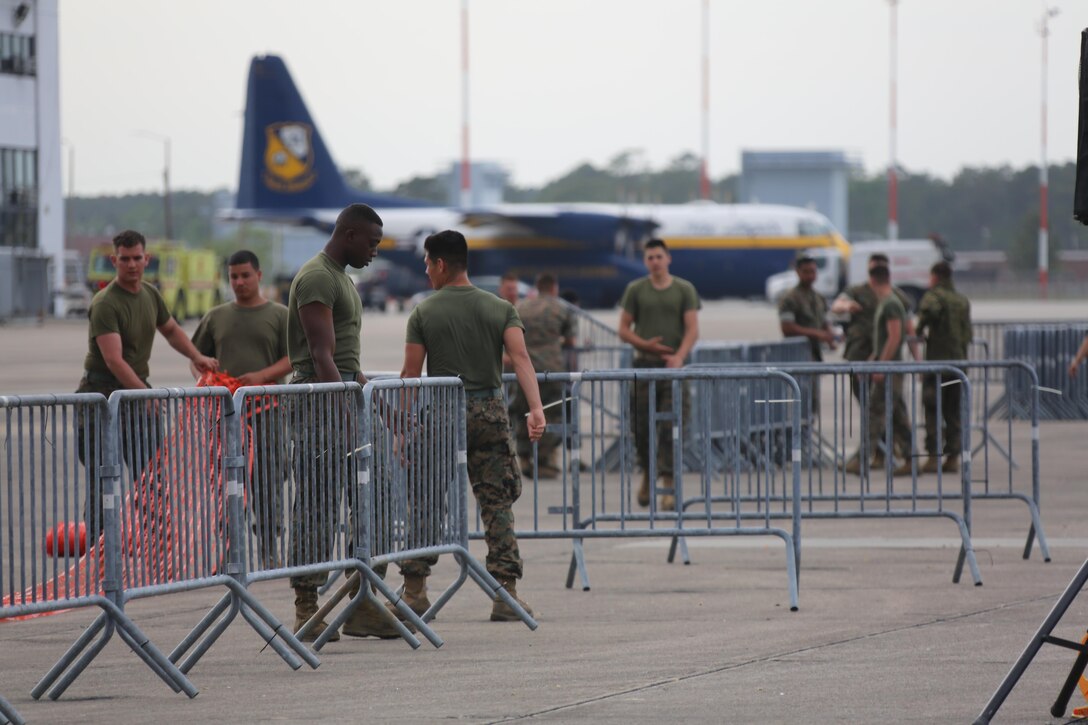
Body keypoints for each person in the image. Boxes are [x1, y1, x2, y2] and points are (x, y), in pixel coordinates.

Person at [393, 230, 546, 623]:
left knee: (426, 499)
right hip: (490, 413)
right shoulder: (499, 307)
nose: (426, 272)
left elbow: (411, 374)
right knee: (496, 501)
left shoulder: (424, 312)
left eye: (428, 264)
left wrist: (403, 429)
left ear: (441, 264)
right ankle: (505, 593)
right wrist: (535, 409)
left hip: (444, 413)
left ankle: (415, 591)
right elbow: (522, 359)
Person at [286, 203, 389, 642]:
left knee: (374, 500)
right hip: (321, 403)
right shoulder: (317, 277)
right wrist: (343, 412)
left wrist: (378, 404)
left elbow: (345, 360)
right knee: (318, 505)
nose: (374, 252)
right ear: (349, 235)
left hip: (344, 394)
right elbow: (320, 354)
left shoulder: (341, 277)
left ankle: (362, 598)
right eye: (371, 243)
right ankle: (307, 605)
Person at [76, 229, 218, 540]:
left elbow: (171, 331)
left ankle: (157, 545)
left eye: (137, 258)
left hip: (137, 393)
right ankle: (102, 553)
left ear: (146, 259)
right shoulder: (105, 303)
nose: (131, 265)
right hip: (101, 396)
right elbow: (114, 361)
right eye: (124, 259)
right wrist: (146, 396)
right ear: (114, 260)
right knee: (104, 481)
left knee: (151, 476)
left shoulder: (151, 295)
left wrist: (198, 356)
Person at [189, 250, 291, 566]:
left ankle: (269, 548)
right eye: (234, 276)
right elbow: (197, 358)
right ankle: (230, 549)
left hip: (267, 412)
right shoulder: (216, 316)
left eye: (245, 275)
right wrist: (208, 380)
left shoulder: (279, 315)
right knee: (226, 481)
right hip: (226, 416)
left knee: (269, 478)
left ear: (259, 276)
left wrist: (262, 377)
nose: (239, 282)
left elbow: (294, 358)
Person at [617, 238, 701, 511]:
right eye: (650, 257)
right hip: (644, 367)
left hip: (673, 370)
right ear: (645, 261)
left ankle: (669, 485)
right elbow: (624, 329)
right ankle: (647, 475)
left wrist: (679, 356)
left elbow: (692, 329)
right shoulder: (636, 289)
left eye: (659, 257)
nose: (655, 261)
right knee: (641, 427)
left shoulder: (684, 289)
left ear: (668, 259)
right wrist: (645, 345)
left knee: (672, 426)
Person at [511, 273, 575, 478]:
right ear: (554, 288)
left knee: (523, 412)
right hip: (552, 368)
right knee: (552, 413)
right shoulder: (562, 308)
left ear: (537, 287)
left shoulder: (521, 307)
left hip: (524, 369)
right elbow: (571, 341)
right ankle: (544, 459)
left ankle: (523, 457)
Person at [915, 261, 972, 474]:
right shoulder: (961, 300)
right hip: (959, 364)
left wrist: (920, 329)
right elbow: (968, 334)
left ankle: (932, 456)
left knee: (932, 410)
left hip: (938, 364)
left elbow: (928, 314)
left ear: (935, 277)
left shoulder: (933, 297)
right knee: (953, 412)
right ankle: (953, 457)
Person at [862, 264, 914, 476]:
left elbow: (894, 337)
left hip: (890, 369)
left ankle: (863, 456)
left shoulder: (891, 304)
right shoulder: (889, 302)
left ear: (872, 280)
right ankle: (911, 458)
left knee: (875, 411)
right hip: (889, 367)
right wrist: (871, 361)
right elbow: (883, 341)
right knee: (899, 414)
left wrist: (881, 365)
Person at [778, 255, 836, 361]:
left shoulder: (819, 298)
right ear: (798, 272)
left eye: (813, 271)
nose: (810, 276)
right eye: (806, 272)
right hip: (796, 356)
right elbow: (787, 328)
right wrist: (816, 333)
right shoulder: (790, 299)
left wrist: (829, 336)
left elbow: (823, 322)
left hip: (815, 355)